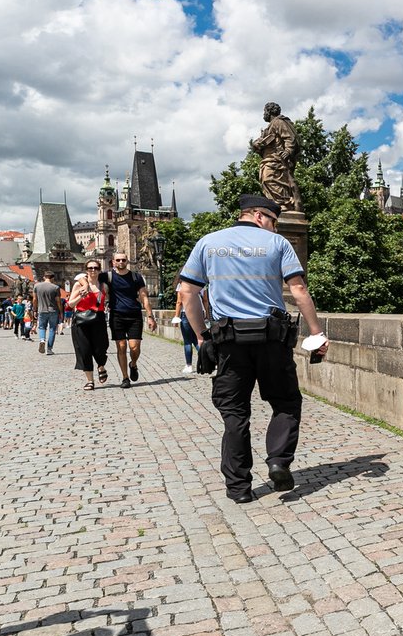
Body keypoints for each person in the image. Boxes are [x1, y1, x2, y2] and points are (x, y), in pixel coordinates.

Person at [179, 193, 329, 504]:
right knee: (286, 402)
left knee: (235, 414)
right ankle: (278, 460)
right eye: (274, 221)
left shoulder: (208, 243)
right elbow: (298, 289)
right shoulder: (278, 245)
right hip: (272, 340)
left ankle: (239, 488)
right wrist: (317, 334)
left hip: (229, 342)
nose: (275, 227)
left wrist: (201, 336)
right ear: (260, 215)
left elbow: (188, 291)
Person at [102, 252, 157, 388]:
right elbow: (88, 277)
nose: (121, 262)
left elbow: (144, 297)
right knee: (121, 347)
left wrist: (150, 316)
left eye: (123, 260)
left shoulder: (136, 277)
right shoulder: (107, 276)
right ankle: (125, 378)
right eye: (118, 260)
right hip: (117, 315)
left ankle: (133, 364)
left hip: (134, 315)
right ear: (113, 262)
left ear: (127, 261)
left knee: (134, 347)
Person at [250, 102, 301, 213]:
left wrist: (288, 151)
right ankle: (276, 204)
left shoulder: (278, 122)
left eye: (264, 111)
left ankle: (283, 204)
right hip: (268, 159)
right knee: (266, 180)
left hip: (276, 159)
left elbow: (289, 138)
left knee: (271, 179)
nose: (264, 114)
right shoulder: (270, 126)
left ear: (269, 111)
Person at [68, 265, 110, 391]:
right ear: (86, 270)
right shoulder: (78, 285)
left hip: (99, 320)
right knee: (84, 350)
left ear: (99, 270)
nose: (93, 270)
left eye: (96, 268)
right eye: (90, 268)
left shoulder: (103, 286)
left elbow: (107, 300)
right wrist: (81, 295)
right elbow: (70, 304)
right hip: (81, 321)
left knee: (100, 349)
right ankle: (90, 380)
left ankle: (101, 366)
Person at [171, 280, 208, 374]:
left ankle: (189, 366)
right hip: (200, 313)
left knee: (188, 341)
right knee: (199, 339)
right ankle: (208, 360)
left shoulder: (181, 285)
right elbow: (205, 300)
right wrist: (206, 314)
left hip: (186, 313)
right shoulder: (201, 285)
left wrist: (176, 316)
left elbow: (179, 302)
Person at [33, 271, 62, 354]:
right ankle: (49, 349)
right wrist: (61, 312)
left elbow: (34, 299)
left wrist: (34, 310)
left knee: (42, 327)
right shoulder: (55, 287)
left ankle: (42, 340)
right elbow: (58, 301)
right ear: (52, 278)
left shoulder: (37, 286)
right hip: (53, 310)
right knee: (52, 329)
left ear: (44, 277)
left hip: (42, 310)